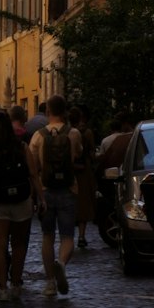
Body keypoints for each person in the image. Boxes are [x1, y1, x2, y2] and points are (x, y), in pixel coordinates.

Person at [29, 93, 82, 298]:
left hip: (46, 190)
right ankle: (61, 262)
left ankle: (50, 282)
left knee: (47, 236)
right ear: (65, 111)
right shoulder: (73, 133)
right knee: (68, 236)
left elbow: (34, 166)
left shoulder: (39, 135)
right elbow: (78, 154)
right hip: (69, 189)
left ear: (48, 111)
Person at [0, 109, 39, 300]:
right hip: (21, 200)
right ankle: (16, 283)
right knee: (19, 245)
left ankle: (2, 288)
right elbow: (33, 174)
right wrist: (40, 197)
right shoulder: (21, 146)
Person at [69, 105, 97, 249]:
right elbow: (91, 152)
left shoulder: (66, 133)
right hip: (83, 171)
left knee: (70, 202)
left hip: (69, 171)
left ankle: (67, 237)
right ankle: (81, 235)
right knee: (83, 203)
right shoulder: (86, 133)